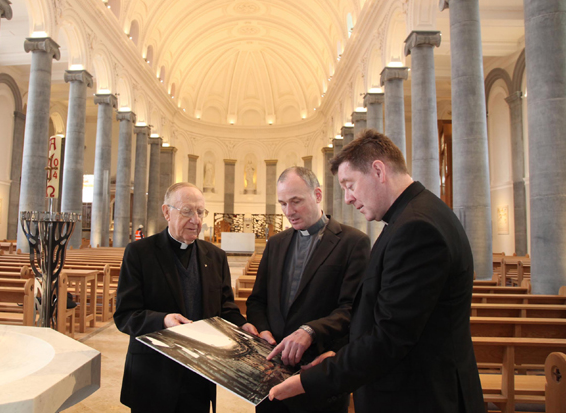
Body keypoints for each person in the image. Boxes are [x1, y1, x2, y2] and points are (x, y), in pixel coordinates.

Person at [268, 130, 484, 413]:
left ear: (378, 170)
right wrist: (341, 355)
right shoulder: (412, 216)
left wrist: (309, 380)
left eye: (349, 184)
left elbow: (390, 337)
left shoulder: (417, 228)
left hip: (421, 397)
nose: (347, 198)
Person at [115, 182, 259, 413]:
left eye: (200, 212)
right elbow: (125, 315)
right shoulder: (140, 253)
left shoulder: (215, 256)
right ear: (166, 212)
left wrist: (244, 325)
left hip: (199, 378)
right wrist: (163, 321)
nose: (196, 219)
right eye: (187, 211)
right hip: (152, 376)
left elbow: (225, 309)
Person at [247, 167, 370, 413]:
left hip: (319, 374)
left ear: (317, 194)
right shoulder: (275, 243)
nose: (288, 212)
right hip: (270, 377)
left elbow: (352, 309)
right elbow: (257, 301)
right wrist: (263, 331)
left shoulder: (353, 242)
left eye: (296, 201)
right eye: (282, 203)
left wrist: (311, 330)